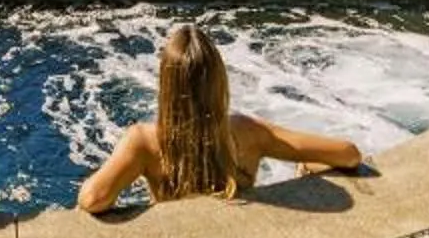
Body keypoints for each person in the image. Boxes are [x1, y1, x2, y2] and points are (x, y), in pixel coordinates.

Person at [75, 23, 363, 213]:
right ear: (219, 82)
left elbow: (92, 199)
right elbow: (349, 154)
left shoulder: (144, 141)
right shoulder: (248, 132)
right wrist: (307, 163)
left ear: (166, 87)